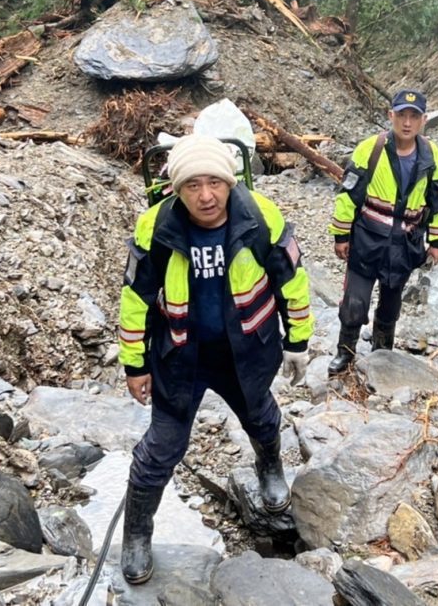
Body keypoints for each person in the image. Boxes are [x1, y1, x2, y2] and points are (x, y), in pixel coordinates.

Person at [117, 134, 312, 585]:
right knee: (160, 450)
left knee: (262, 420)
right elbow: (135, 299)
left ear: (231, 182)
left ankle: (270, 468)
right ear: (176, 189)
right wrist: (135, 363)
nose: (205, 196)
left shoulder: (261, 217)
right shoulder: (156, 227)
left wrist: (299, 341)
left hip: (246, 351)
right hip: (180, 355)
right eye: (192, 186)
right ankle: (136, 533)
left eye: (214, 183)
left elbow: (292, 280)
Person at [328, 88, 438, 375]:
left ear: (423, 120)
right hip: (367, 239)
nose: (406, 123)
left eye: (414, 116)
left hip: (405, 244)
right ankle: (344, 354)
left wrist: (437, 242)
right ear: (391, 116)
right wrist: (341, 235)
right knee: (354, 302)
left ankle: (382, 356)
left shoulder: (432, 156)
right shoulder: (370, 149)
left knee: (390, 305)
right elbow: (348, 195)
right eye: (401, 115)